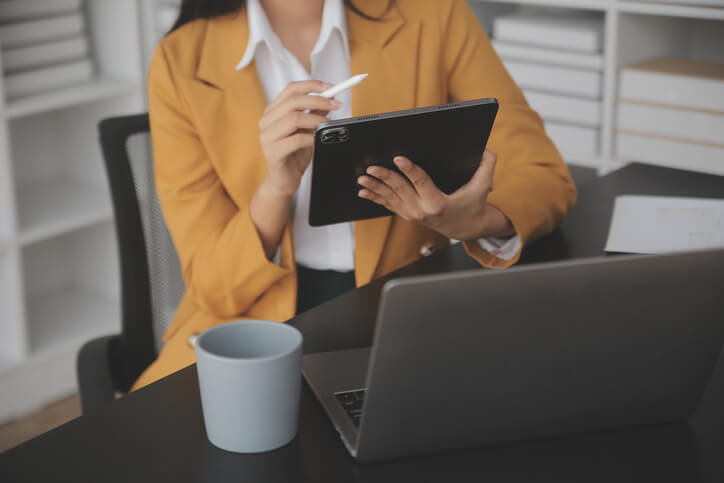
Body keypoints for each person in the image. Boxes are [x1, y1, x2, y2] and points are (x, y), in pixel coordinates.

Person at [131, 0, 576, 390]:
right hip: (248, 323)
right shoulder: (180, 61)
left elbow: (544, 174)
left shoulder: (433, 14)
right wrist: (276, 187)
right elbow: (213, 286)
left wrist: (471, 222)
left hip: (402, 312)